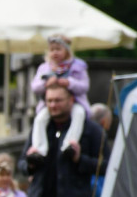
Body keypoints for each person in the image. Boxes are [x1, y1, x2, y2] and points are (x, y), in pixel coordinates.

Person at [28, 35, 91, 167]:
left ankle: (70, 144)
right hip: (47, 107)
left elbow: (84, 86)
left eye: (58, 49)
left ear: (67, 50)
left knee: (79, 114)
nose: (55, 52)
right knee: (40, 119)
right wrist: (46, 83)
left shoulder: (77, 66)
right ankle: (39, 149)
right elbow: (34, 87)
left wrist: (69, 83)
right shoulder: (44, 67)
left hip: (74, 103)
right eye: (52, 49)